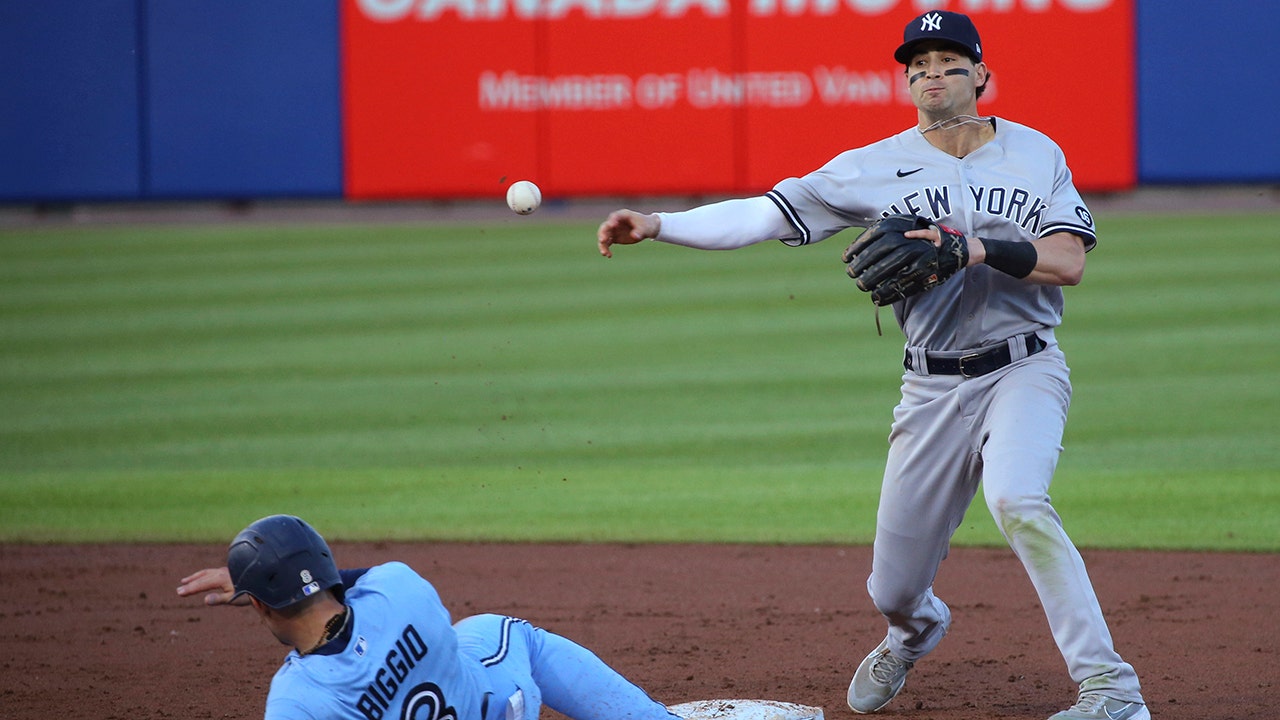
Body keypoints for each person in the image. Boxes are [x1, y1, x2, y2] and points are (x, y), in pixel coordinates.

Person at [595, 10, 1147, 720]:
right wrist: (660, 225)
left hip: (1024, 369)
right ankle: (914, 632)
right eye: (918, 65)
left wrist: (972, 249)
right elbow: (765, 215)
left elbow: (1068, 261)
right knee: (892, 588)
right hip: (930, 387)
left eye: (948, 61)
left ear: (982, 74)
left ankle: (1111, 689)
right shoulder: (870, 167)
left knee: (1018, 500)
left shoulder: (1036, 153)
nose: (932, 74)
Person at [177, 514, 681, 720]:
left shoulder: (295, 698)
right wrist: (283, 576)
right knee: (496, 632)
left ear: (258, 604)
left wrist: (261, 581)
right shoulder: (399, 589)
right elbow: (353, 580)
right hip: (501, 707)